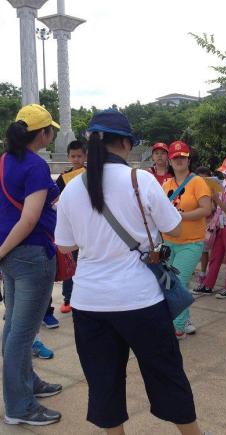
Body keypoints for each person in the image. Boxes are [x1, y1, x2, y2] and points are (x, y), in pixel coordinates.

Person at [55, 109, 204, 435]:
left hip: (89, 303)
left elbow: (65, 246)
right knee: (166, 374)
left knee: (104, 381)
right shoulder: (141, 180)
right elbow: (175, 230)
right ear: (124, 142)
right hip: (140, 300)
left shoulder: (71, 189)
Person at [0, 104, 62, 426]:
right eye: (50, 130)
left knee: (13, 329)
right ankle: (20, 406)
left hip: (11, 257)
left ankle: (28, 384)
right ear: (43, 134)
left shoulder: (4, 161)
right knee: (21, 335)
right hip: (31, 255)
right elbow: (28, 220)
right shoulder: (36, 166)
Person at [162, 142, 212, 339]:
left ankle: (178, 326)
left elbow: (206, 209)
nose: (179, 160)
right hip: (168, 241)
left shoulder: (198, 182)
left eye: (183, 156)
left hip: (191, 243)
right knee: (167, 283)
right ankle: (184, 318)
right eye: (175, 157)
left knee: (179, 283)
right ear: (170, 161)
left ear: (189, 159)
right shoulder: (166, 184)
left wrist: (179, 215)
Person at [194, 156, 226, 299]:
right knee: (215, 256)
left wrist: (216, 199)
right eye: (224, 171)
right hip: (221, 225)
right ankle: (208, 285)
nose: (225, 174)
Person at [55, 140, 87, 314]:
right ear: (68, 157)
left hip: (90, 224)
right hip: (72, 225)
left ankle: (91, 292)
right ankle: (68, 297)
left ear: (85, 156)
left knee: (91, 258)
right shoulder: (63, 176)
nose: (76, 159)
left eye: (79, 156)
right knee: (70, 261)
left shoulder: (91, 174)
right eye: (73, 156)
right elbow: (56, 197)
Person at [195, 166, 213, 285]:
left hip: (212, 225)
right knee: (203, 250)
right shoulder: (194, 189)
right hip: (199, 224)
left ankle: (210, 273)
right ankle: (203, 272)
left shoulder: (212, 190)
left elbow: (214, 208)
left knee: (211, 250)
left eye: (205, 179)